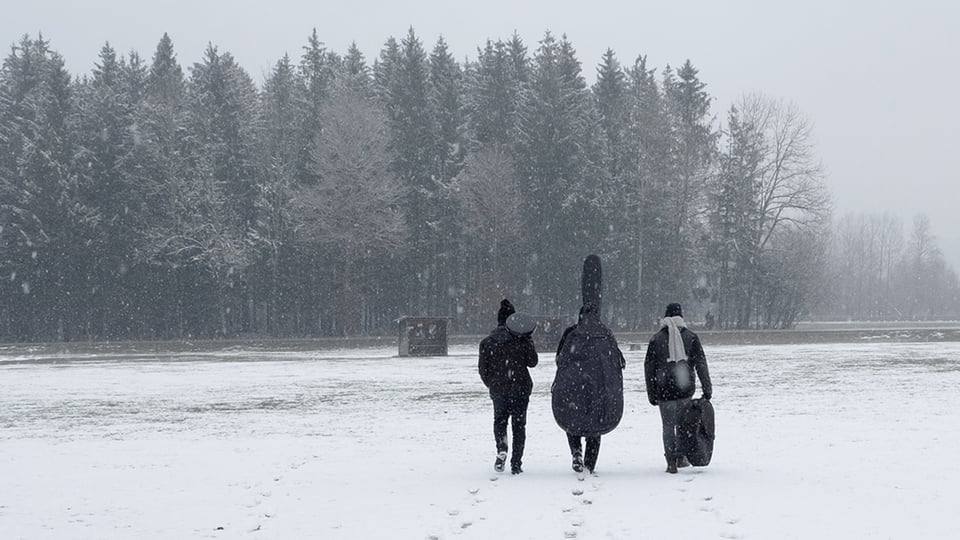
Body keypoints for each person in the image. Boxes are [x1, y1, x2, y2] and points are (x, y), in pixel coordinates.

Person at [552, 255, 625, 475]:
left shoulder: (572, 333)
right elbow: (618, 362)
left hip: (574, 385)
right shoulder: (605, 334)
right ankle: (590, 463)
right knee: (596, 425)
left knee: (572, 420)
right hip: (599, 388)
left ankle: (576, 451)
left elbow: (560, 359)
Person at [644, 302, 713, 473]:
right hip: (684, 389)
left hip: (664, 390)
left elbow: (649, 367)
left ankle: (671, 462)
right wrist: (707, 388)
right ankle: (682, 457)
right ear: (681, 316)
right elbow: (701, 364)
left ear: (666, 317)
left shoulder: (656, 339)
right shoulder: (691, 337)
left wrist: (651, 393)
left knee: (668, 427)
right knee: (684, 426)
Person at [478, 299, 539, 474]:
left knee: (500, 421)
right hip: (520, 389)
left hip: (499, 390)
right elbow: (533, 362)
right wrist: (529, 340)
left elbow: (483, 370)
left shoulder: (487, 342)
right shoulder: (522, 340)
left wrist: (493, 385)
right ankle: (516, 463)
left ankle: (502, 448)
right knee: (519, 426)